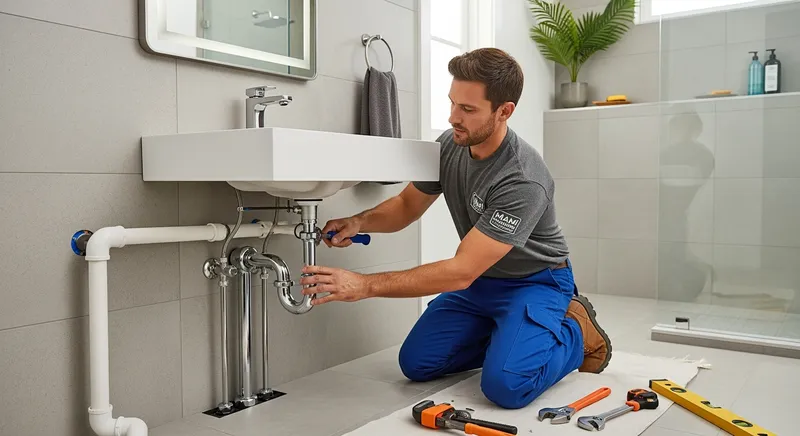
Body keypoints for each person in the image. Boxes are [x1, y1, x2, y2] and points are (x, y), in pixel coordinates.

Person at [298, 48, 611, 409]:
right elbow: (406, 205)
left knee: (506, 387)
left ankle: (574, 333)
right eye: (452, 104)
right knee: (417, 363)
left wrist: (364, 284)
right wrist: (359, 221)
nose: (452, 118)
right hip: (483, 282)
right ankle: (509, 337)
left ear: (504, 111)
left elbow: (462, 271)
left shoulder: (522, 179)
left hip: (535, 282)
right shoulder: (451, 145)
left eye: (468, 109)